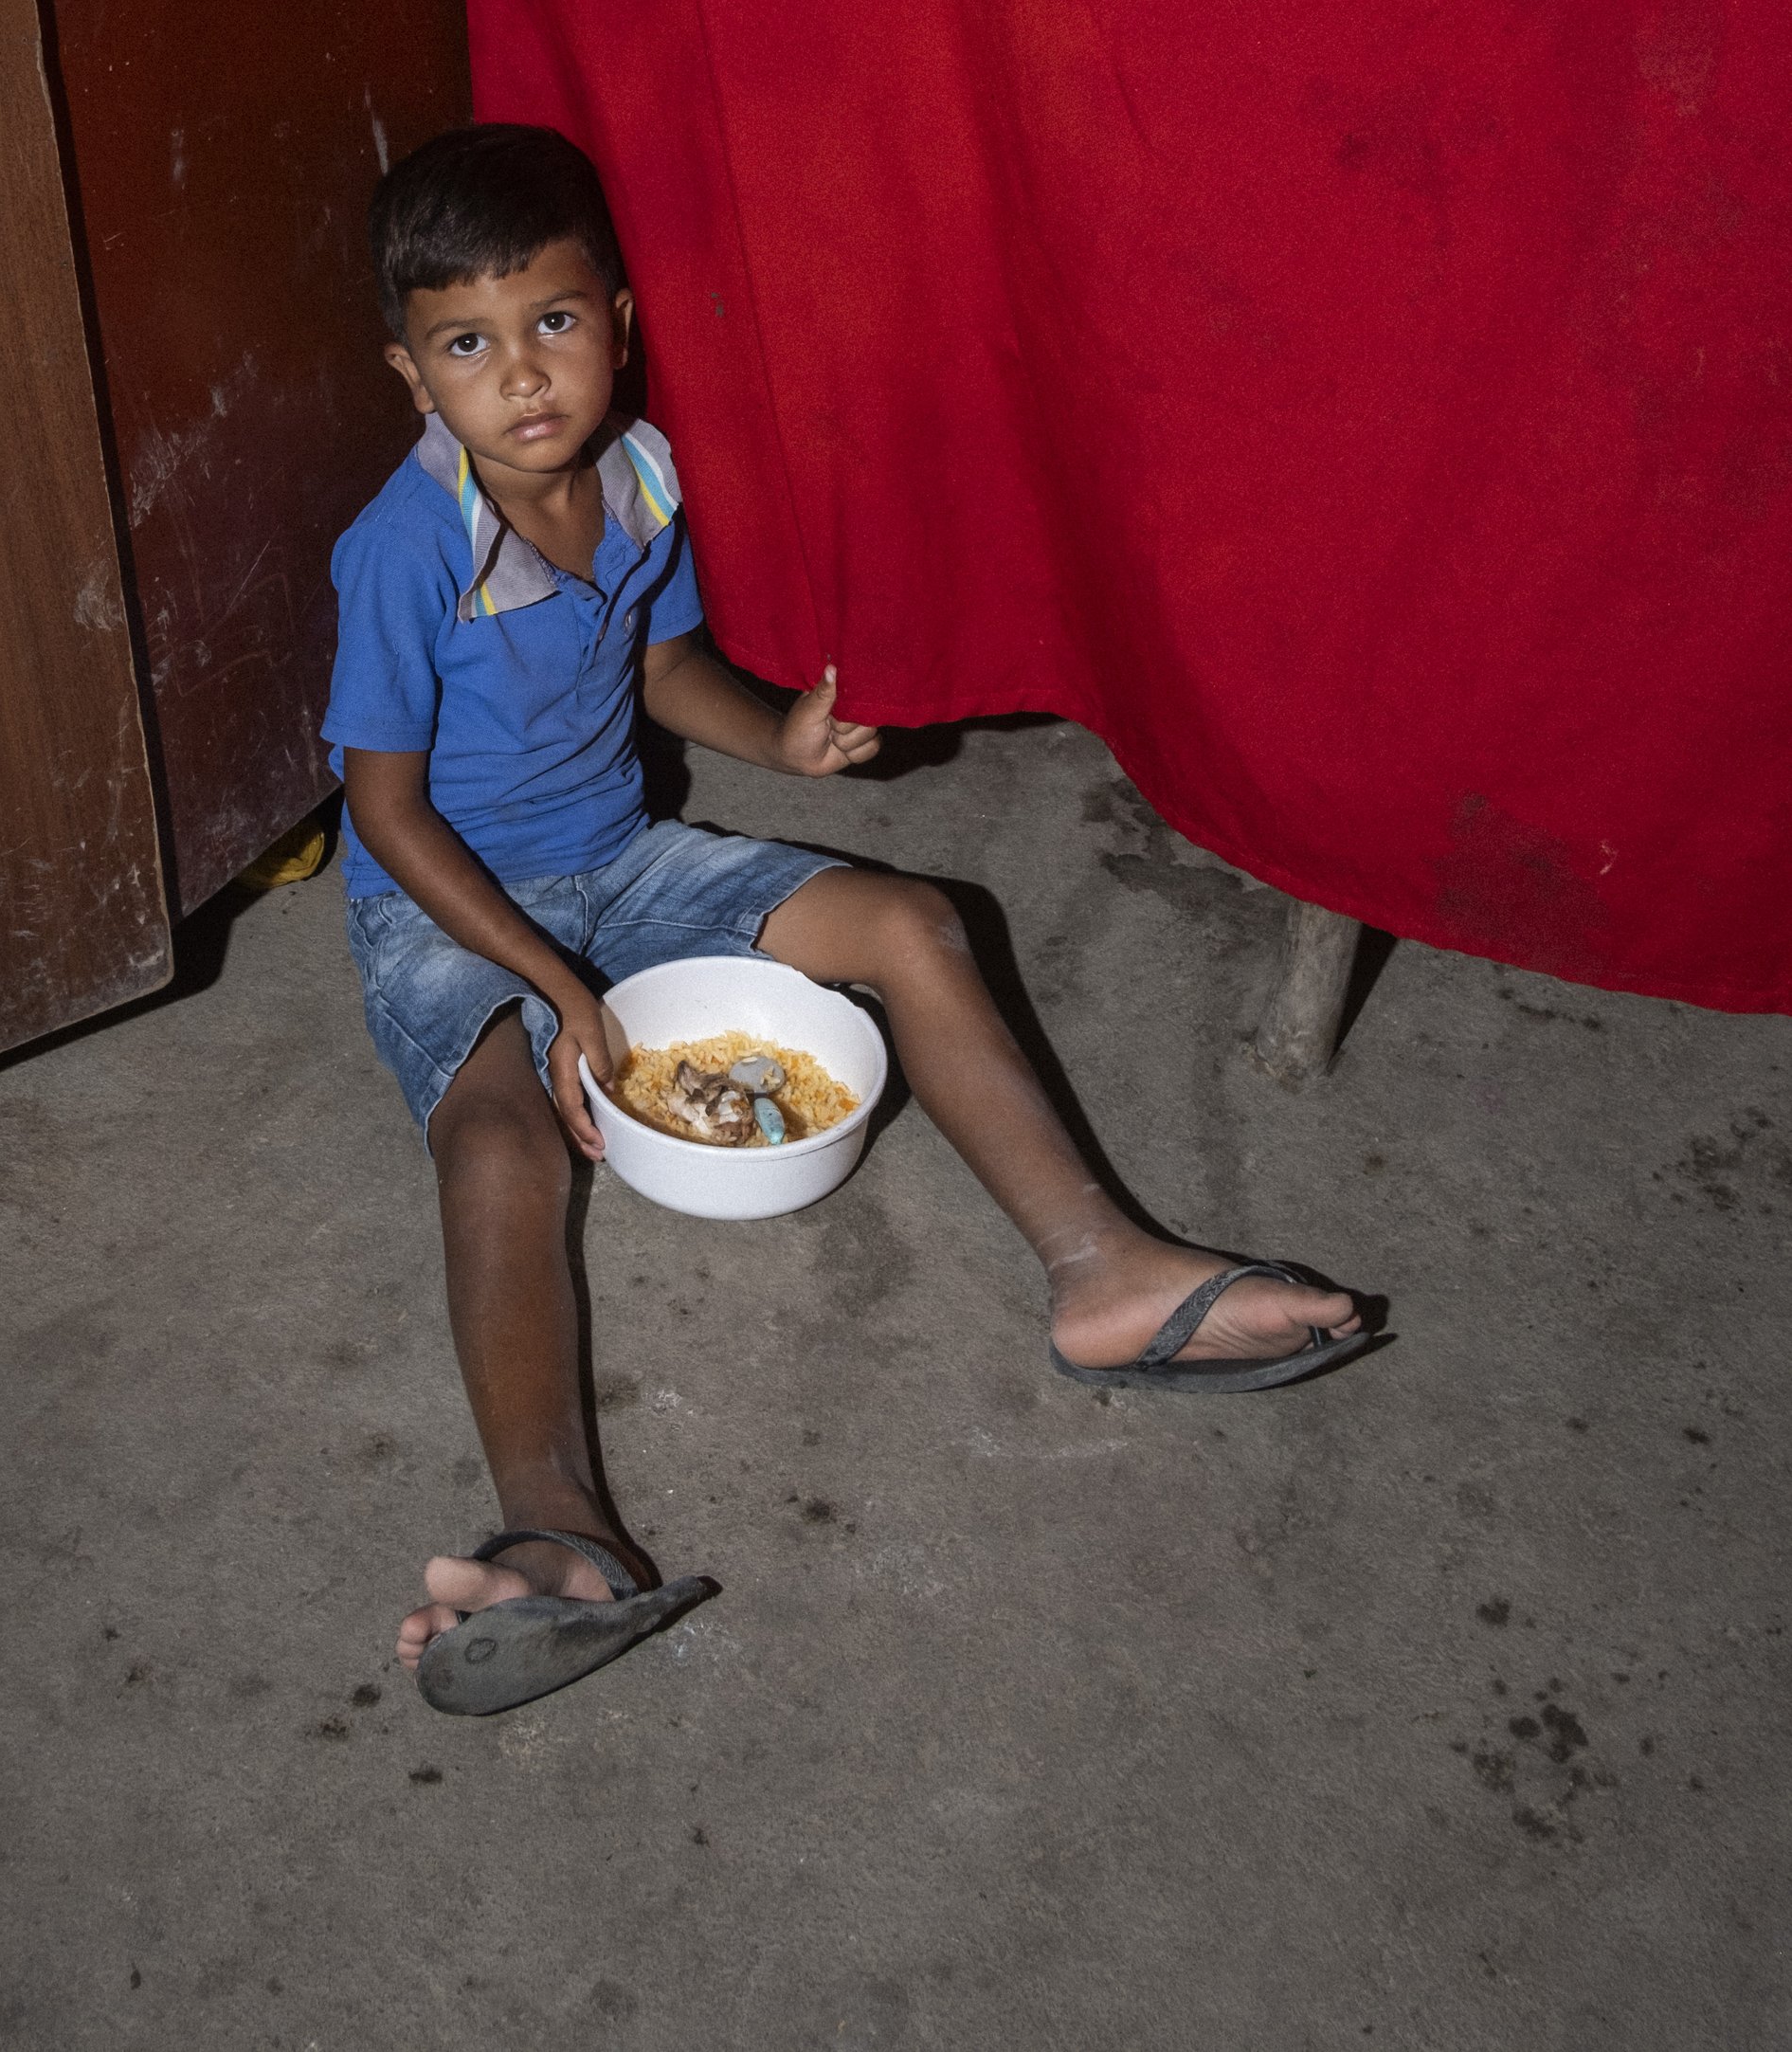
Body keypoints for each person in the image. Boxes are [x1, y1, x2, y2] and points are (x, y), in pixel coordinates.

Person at [325, 122, 1366, 1716]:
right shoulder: (402, 552)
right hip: (447, 900)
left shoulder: (641, 475)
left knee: (913, 920)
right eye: (467, 343)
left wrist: (783, 741)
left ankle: (1105, 1271)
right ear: (412, 375)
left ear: (619, 316)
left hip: (624, 850)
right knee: (500, 1144)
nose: (524, 375)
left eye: (553, 321)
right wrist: (556, 993)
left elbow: (663, 673)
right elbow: (388, 811)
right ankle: (557, 1527)